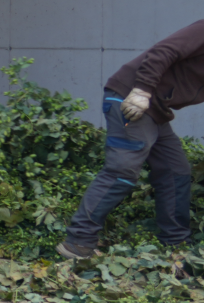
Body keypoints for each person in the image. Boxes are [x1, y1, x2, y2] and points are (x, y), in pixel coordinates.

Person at [60, 20, 202, 267]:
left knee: (175, 171)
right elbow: (163, 51)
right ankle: (78, 241)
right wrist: (143, 90)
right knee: (122, 170)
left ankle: (176, 244)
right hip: (131, 98)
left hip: (157, 110)